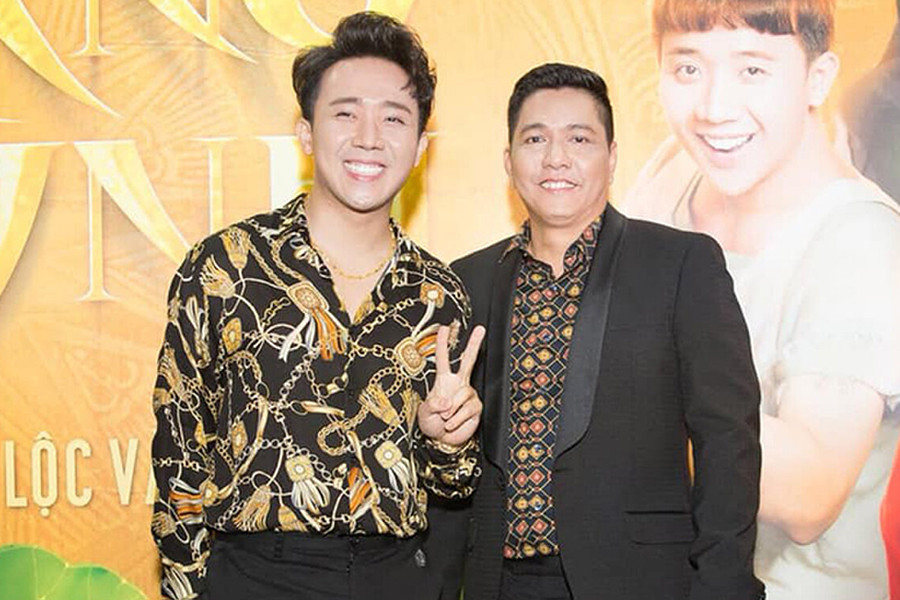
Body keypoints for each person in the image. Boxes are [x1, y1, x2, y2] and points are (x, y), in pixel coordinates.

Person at [150, 12, 484, 600]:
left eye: (393, 118)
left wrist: (448, 443)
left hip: (395, 575)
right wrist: (190, 589)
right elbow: (179, 446)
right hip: (256, 575)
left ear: (419, 147)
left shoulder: (438, 293)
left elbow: (451, 488)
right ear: (306, 134)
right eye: (345, 113)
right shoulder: (226, 266)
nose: (369, 137)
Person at [455, 62, 764, 600]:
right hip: (498, 583)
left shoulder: (679, 264)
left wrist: (723, 585)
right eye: (535, 139)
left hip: (641, 580)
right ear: (509, 160)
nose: (556, 158)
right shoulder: (467, 281)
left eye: (579, 138)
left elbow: (727, 439)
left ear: (612, 156)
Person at [625, 1, 900, 598]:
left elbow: (807, 495)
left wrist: (607, 377)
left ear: (817, 78)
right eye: (688, 67)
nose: (714, 108)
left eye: (753, 69)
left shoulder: (861, 240)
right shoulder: (674, 170)